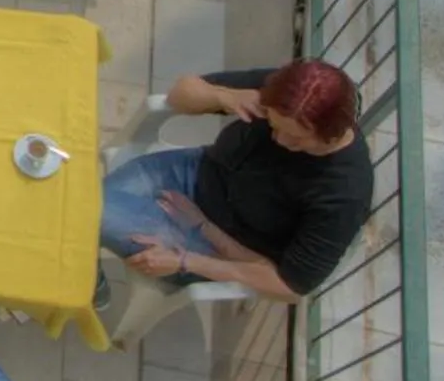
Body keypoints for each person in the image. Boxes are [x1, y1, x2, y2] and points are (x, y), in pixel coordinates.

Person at [99, 59, 370, 301]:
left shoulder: (343, 194)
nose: (279, 140)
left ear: (332, 136)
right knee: (83, 205)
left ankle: (85, 276)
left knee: (86, 210)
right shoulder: (296, 91)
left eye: (296, 139)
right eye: (273, 125)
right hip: (192, 172)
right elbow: (180, 94)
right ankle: (84, 272)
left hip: (216, 246)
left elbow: (291, 286)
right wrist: (222, 96)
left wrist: (188, 259)